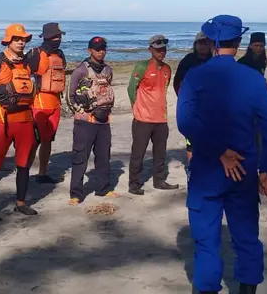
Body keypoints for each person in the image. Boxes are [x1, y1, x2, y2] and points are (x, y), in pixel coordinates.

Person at [176, 14, 267, 294]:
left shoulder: (196, 76)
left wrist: (219, 152)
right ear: (238, 43)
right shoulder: (253, 78)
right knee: (247, 236)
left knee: (207, 240)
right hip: (245, 170)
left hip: (209, 167)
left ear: (212, 42)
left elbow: (186, 123)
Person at [0, 24, 39, 223]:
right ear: (8, 41)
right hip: (3, 123)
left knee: (23, 165)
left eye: (23, 39)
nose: (21, 42)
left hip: (25, 121)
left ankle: (21, 203)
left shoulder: (27, 64)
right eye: (17, 39)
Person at [67, 36, 118, 205]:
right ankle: (76, 194)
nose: (101, 51)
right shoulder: (81, 70)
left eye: (103, 48)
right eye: (97, 49)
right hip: (85, 122)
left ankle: (103, 189)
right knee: (80, 158)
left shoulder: (108, 70)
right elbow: (70, 95)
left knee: (103, 156)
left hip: (104, 122)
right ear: (89, 50)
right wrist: (79, 110)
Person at [127, 34, 179, 195]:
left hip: (161, 119)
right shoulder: (142, 66)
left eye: (163, 49)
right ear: (151, 50)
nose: (161, 52)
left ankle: (159, 181)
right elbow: (131, 89)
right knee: (138, 154)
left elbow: (163, 90)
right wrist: (137, 107)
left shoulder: (167, 69)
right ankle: (134, 184)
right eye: (158, 49)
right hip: (143, 119)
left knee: (160, 154)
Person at [25, 22, 68, 184]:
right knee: (34, 141)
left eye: (60, 36)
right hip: (38, 103)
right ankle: (25, 172)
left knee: (48, 140)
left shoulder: (60, 55)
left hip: (55, 103)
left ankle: (42, 173)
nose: (58, 39)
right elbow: (23, 75)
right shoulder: (35, 54)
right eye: (55, 36)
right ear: (47, 37)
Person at [173, 31, 213, 164]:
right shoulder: (188, 61)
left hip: (210, 110)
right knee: (191, 143)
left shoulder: (213, 61)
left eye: (206, 43)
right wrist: (186, 101)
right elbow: (177, 83)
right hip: (192, 109)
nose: (203, 46)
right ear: (195, 45)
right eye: (200, 43)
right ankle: (192, 169)